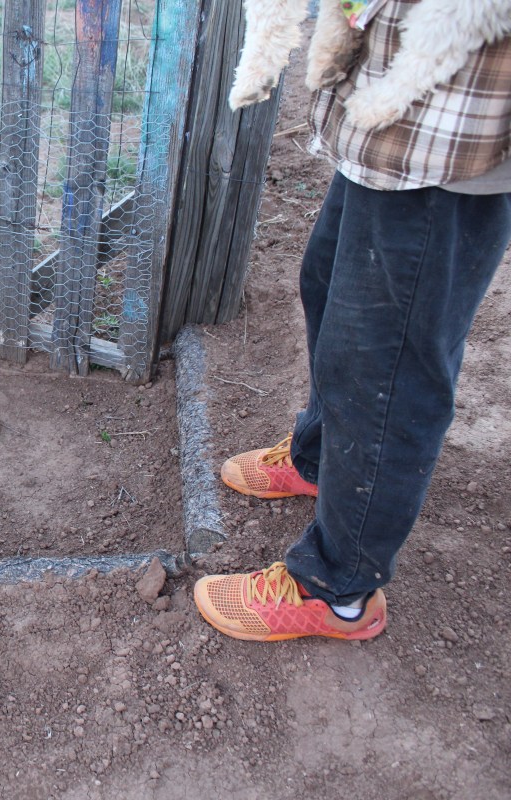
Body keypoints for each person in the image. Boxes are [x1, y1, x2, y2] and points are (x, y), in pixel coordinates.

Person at [192, 0, 511, 642]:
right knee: (327, 286)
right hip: (389, 130)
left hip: (447, 140)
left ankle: (338, 589)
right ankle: (318, 462)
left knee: (384, 369)